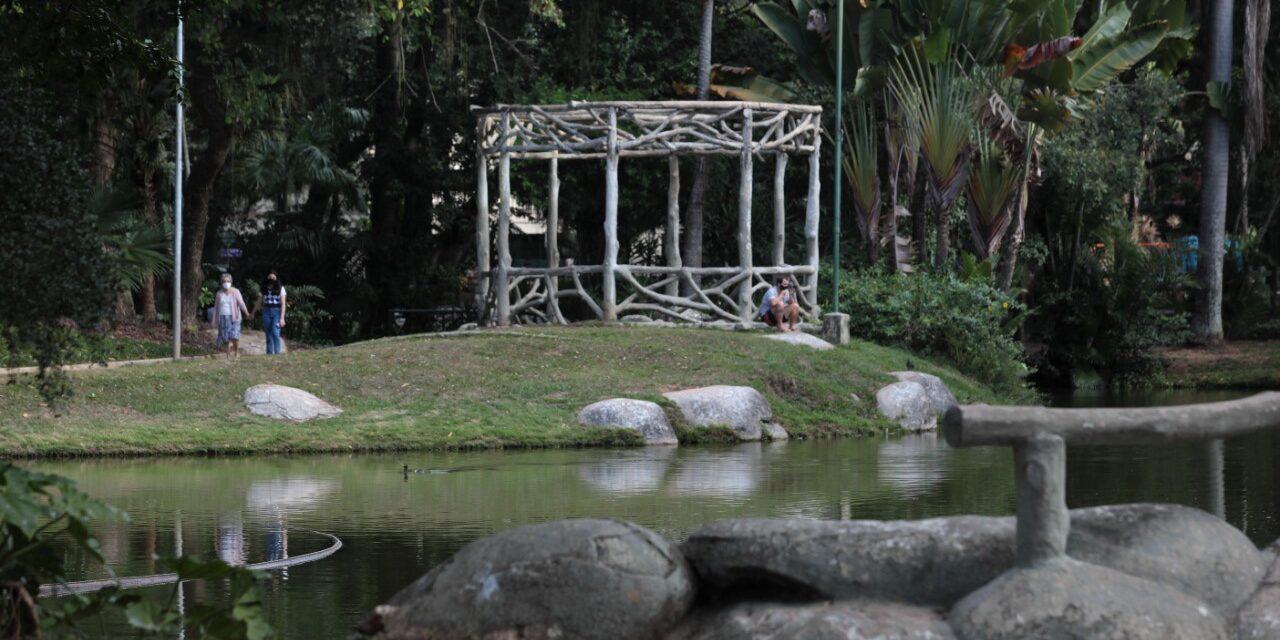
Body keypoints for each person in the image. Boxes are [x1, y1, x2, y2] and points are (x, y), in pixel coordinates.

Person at [214, 273, 251, 360]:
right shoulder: (219, 293)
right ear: (221, 282)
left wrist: (247, 313)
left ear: (231, 282)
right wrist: (213, 320)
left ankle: (237, 353)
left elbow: (241, 304)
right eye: (224, 281)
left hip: (235, 317)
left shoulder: (235, 291)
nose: (226, 283)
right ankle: (228, 355)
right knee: (226, 338)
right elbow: (216, 307)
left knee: (234, 336)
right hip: (223, 317)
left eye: (228, 281)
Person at [253, 270, 287, 355]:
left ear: (276, 278)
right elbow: (258, 302)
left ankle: (277, 353)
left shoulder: (281, 288)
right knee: (268, 333)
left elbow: (283, 304)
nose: (271, 279)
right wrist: (253, 312)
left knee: (275, 332)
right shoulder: (264, 289)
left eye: (273, 277)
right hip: (266, 311)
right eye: (270, 277)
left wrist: (282, 318)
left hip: (277, 311)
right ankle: (269, 353)